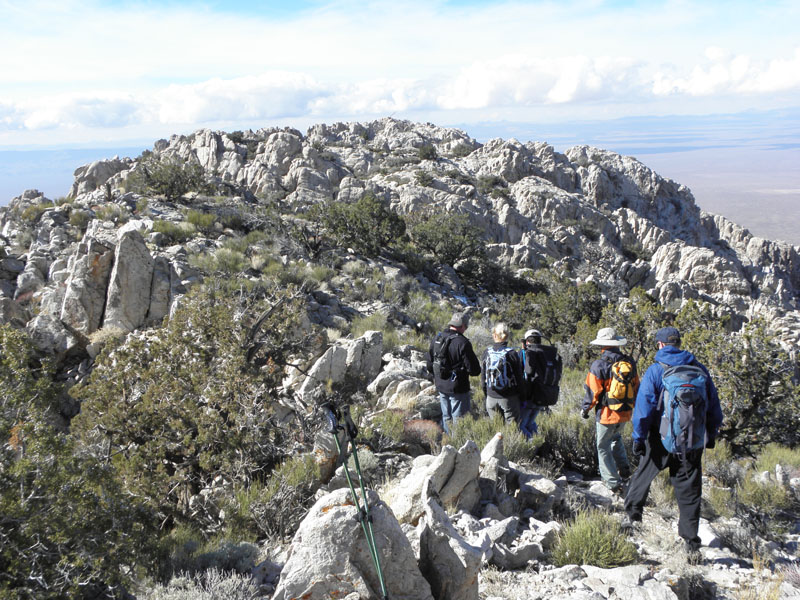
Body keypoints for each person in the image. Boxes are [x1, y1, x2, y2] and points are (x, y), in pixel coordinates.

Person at [622, 326, 723, 556]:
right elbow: (714, 408)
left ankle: (632, 519)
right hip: (691, 440)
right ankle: (690, 543)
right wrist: (710, 434)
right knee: (689, 491)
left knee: (642, 477)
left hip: (659, 438)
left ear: (659, 345)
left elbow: (643, 409)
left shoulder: (656, 370)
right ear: (678, 344)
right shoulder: (699, 369)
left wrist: (639, 437)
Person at [582, 326, 639, 493]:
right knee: (616, 438)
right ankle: (625, 471)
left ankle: (612, 482)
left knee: (602, 445)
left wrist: (585, 409)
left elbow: (593, 392)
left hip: (607, 414)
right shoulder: (629, 362)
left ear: (602, 345)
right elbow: (636, 386)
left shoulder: (599, 364)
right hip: (625, 412)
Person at [426, 312, 482, 435]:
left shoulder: (437, 338)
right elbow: (475, 370)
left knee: (446, 417)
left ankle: (448, 444)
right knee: (459, 420)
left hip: (441, 385)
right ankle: (458, 445)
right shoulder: (463, 343)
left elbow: (429, 364)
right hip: (458, 388)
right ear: (463, 326)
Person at [518, 328, 561, 438]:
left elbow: (527, 371)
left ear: (527, 341)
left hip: (531, 395)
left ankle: (534, 445)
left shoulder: (529, 353)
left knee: (520, 425)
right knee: (530, 423)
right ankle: (539, 446)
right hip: (544, 394)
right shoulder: (548, 353)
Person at [482, 322, 524, 425]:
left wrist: (486, 393)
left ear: (494, 335)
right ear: (507, 336)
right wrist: (522, 396)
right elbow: (519, 378)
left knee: (497, 428)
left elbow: (483, 377)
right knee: (512, 429)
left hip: (491, 397)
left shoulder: (487, 352)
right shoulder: (512, 354)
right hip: (508, 398)